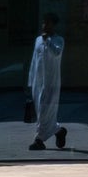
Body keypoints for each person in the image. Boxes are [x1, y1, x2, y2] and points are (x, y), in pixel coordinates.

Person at [28, 13, 66, 151]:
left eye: (48, 23)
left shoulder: (58, 40)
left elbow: (56, 53)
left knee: (45, 111)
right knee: (41, 111)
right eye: (44, 23)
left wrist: (48, 41)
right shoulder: (38, 40)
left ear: (53, 25)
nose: (44, 25)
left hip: (51, 83)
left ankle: (39, 139)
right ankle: (58, 130)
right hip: (38, 83)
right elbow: (34, 62)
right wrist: (30, 82)